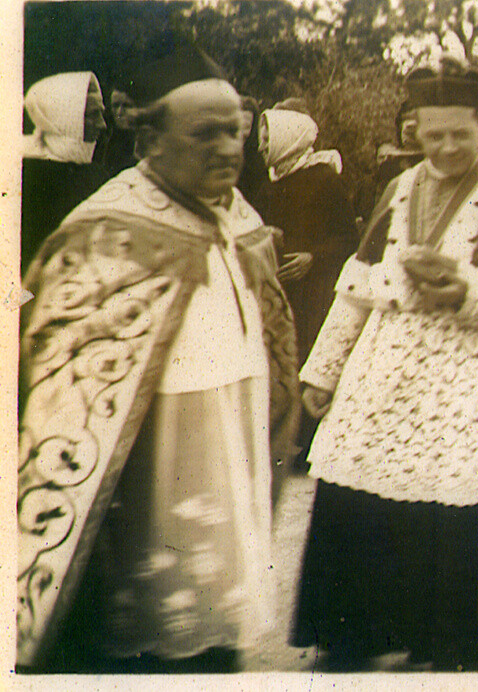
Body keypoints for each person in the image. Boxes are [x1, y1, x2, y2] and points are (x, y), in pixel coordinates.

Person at [290, 55, 478, 671]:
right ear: (417, 133)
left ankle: (457, 649)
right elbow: (358, 286)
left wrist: (463, 293)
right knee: (366, 493)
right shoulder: (400, 188)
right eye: (433, 136)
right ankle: (365, 631)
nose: (447, 147)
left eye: (460, 134)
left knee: (465, 510)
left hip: (476, 381)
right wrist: (324, 369)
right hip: (391, 372)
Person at [17, 43, 299, 674]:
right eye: (206, 134)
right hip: (142, 472)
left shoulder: (240, 217)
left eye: (236, 131)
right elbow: (64, 397)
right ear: (151, 140)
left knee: (213, 634)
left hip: (229, 438)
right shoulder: (106, 231)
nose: (229, 148)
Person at [254, 108, 358, 466]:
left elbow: (348, 237)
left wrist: (313, 257)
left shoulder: (324, 179)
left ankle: (311, 443)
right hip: (285, 286)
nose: (263, 144)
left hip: (315, 287)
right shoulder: (272, 183)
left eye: (268, 136)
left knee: (311, 356)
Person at [21, 71, 110, 273]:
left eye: (100, 114)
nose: (102, 125)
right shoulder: (28, 178)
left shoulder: (93, 174)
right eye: (91, 115)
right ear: (63, 119)